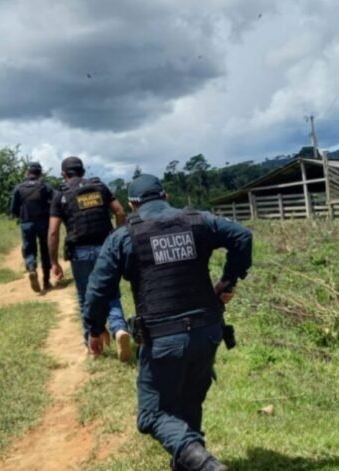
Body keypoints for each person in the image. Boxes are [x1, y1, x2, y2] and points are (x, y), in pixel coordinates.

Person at [83, 174, 252, 471]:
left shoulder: (124, 236)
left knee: (151, 415)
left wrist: (95, 329)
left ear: (132, 205)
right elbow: (243, 236)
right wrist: (228, 281)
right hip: (208, 332)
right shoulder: (199, 221)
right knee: (189, 403)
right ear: (166, 196)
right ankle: (191, 462)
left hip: (163, 339)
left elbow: (98, 289)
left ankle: (206, 465)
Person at [48, 156, 132, 361]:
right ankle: (119, 329)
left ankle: (92, 346)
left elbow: (53, 231)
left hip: (80, 252)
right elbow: (120, 212)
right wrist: (118, 237)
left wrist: (54, 262)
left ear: (63, 174)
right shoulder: (99, 187)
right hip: (106, 248)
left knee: (86, 296)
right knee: (110, 292)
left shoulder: (61, 195)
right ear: (83, 171)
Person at [9, 161, 54, 293]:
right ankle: (46, 281)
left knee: (29, 248)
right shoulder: (45, 186)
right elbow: (55, 201)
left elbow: (13, 209)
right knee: (45, 250)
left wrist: (21, 216)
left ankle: (32, 268)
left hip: (26, 222)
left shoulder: (19, 188)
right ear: (40, 173)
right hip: (44, 222)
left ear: (27, 172)